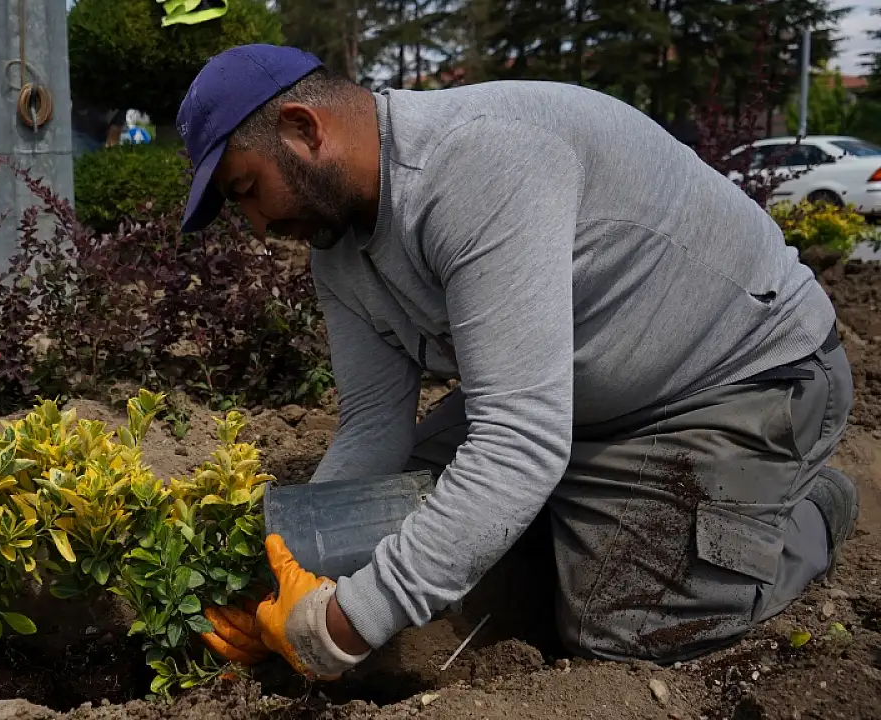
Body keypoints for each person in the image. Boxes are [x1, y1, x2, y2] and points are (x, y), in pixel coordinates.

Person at [179, 44, 860, 681]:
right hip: (574, 400)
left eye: (248, 188)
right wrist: (288, 577)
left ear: (303, 129)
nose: (258, 226)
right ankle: (581, 532)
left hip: (735, 380)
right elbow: (370, 424)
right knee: (378, 529)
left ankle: (810, 514)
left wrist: (343, 625)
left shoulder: (475, 165)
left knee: (620, 625)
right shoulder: (337, 250)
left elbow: (519, 440)